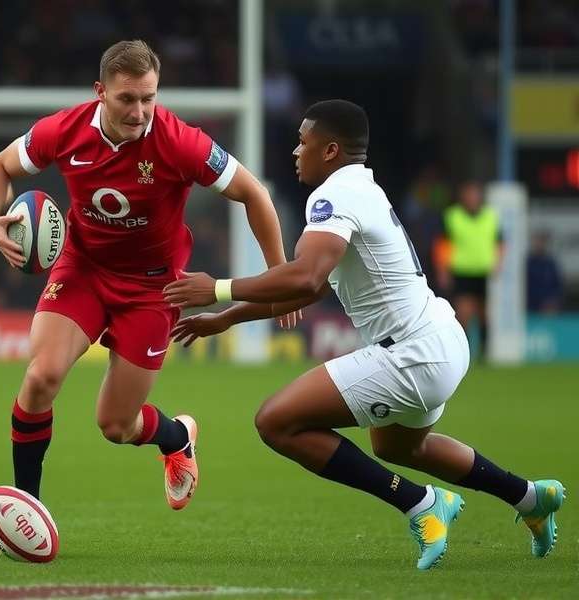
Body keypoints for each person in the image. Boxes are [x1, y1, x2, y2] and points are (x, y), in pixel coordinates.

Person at [163, 100, 564, 570]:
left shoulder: (334, 196)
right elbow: (310, 288)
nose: (296, 151)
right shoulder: (362, 189)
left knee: (275, 422)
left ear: (330, 150)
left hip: (412, 353)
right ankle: (529, 497)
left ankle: (421, 504)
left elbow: (305, 278)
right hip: (442, 338)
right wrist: (228, 317)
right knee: (396, 447)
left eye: (303, 142)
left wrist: (216, 289)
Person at [0, 40, 294, 554]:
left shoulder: (180, 142)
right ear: (100, 92)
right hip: (82, 268)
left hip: (152, 288)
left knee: (115, 425)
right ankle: (19, 518)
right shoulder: (64, 129)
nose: (140, 112)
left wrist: (281, 274)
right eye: (127, 99)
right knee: (41, 377)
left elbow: (254, 193)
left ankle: (176, 439)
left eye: (148, 98)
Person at [436, 180, 503, 358]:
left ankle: (484, 353)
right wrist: (443, 270)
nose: (472, 198)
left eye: (475, 194)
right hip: (462, 271)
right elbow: (442, 245)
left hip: (483, 272)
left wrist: (498, 263)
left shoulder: (490, 216)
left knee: (484, 314)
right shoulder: (452, 216)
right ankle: (463, 352)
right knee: (464, 314)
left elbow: (499, 242)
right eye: (469, 194)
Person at [526, 231, 564, 314]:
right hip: (530, 305)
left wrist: (552, 301)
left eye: (541, 242)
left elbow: (557, 284)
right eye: (537, 241)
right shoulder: (528, 263)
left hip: (547, 306)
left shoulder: (550, 263)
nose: (539, 244)